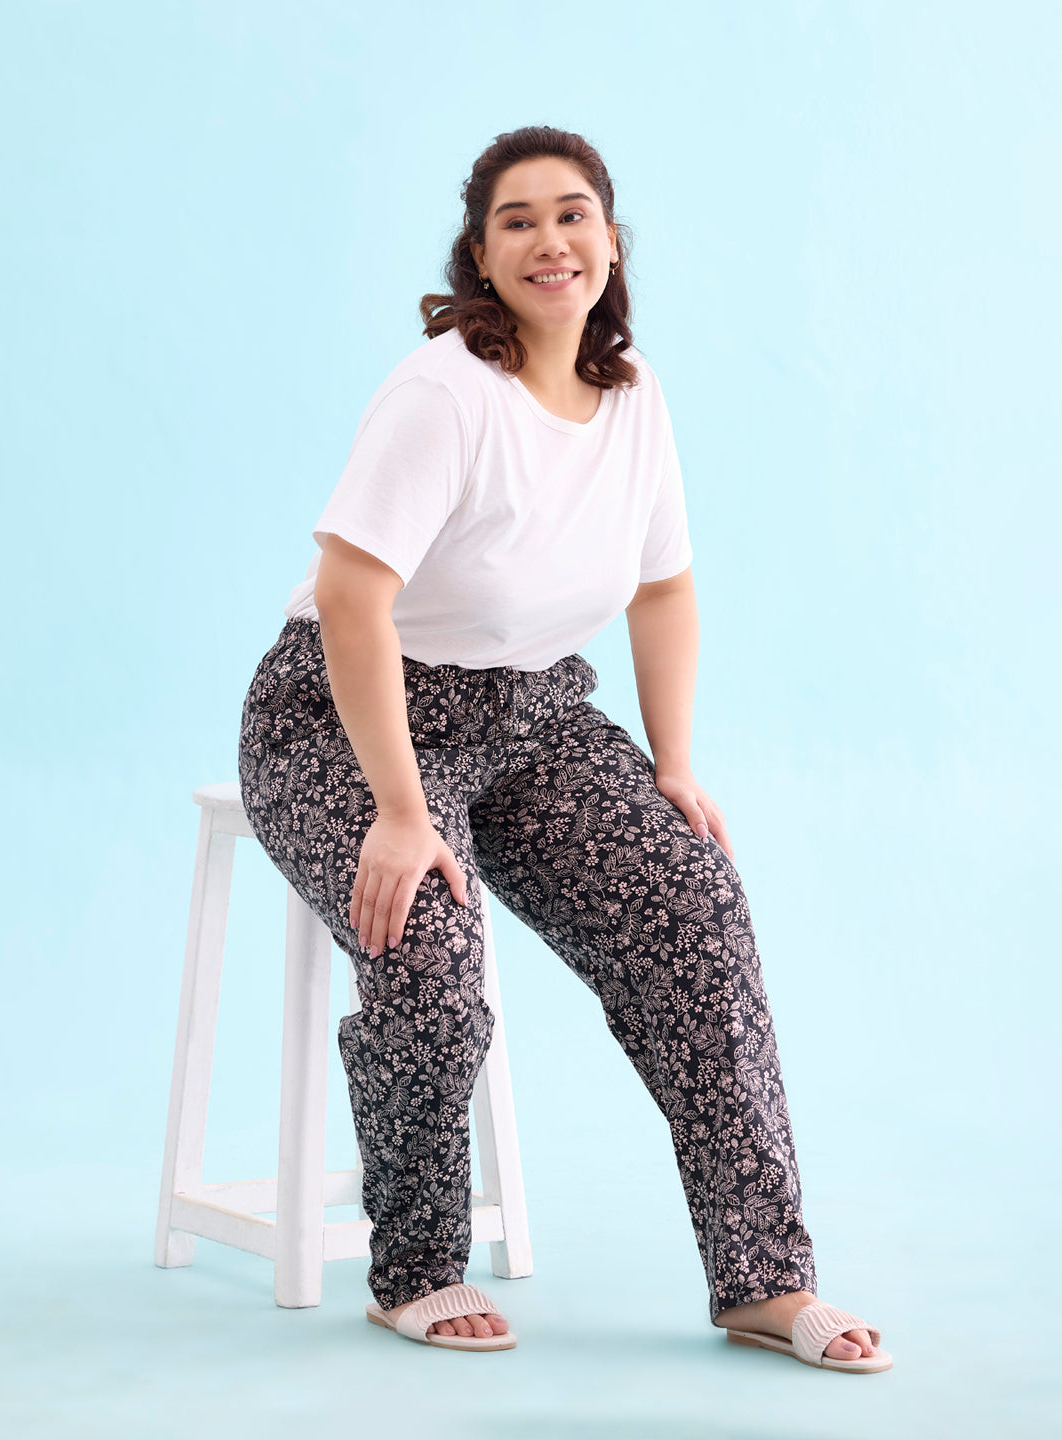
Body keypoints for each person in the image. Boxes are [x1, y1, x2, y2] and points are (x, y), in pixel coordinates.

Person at [237, 125, 892, 1372]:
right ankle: (414, 1269)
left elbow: (664, 587)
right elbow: (354, 601)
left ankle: (764, 1278)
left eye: (574, 213)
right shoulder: (442, 393)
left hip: (528, 714)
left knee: (694, 901)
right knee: (429, 942)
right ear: (481, 257)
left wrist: (673, 761)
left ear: (610, 242)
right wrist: (399, 809)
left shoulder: (633, 396)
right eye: (519, 219)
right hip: (343, 713)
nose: (552, 239)